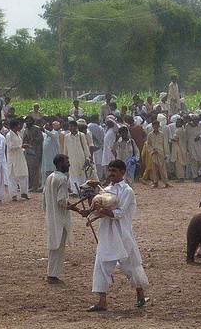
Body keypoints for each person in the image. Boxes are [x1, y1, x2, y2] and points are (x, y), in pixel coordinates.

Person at [83, 159, 150, 312]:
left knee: (130, 266)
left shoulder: (127, 191)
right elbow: (98, 207)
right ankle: (102, 301)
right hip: (107, 234)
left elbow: (119, 213)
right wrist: (89, 210)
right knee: (101, 265)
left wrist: (101, 210)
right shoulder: (105, 190)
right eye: (110, 170)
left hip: (122, 233)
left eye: (114, 171)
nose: (111, 174)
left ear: (122, 172)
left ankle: (140, 295)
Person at [43, 154, 74, 284]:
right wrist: (75, 208)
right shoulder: (62, 179)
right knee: (58, 246)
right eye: (67, 162)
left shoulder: (50, 177)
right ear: (61, 163)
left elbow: (44, 199)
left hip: (51, 216)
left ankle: (51, 273)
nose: (69, 164)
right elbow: (62, 201)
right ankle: (52, 275)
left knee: (54, 245)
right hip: (60, 218)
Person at [62, 120, 91, 194]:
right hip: (71, 158)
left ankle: (83, 190)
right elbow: (65, 149)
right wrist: (65, 158)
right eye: (69, 126)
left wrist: (87, 157)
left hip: (81, 158)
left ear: (76, 127)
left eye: (71, 126)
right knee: (73, 174)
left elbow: (85, 147)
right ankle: (75, 191)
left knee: (82, 173)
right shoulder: (67, 137)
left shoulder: (81, 135)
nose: (70, 128)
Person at [6, 119, 30, 201]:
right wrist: (21, 146)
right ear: (14, 126)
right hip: (13, 159)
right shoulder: (9, 135)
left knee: (24, 175)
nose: (20, 127)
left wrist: (22, 148)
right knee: (12, 177)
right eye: (18, 125)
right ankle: (13, 195)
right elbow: (10, 147)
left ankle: (24, 193)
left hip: (20, 158)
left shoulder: (18, 134)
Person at [146, 120, 170, 188]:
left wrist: (166, 154)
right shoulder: (150, 134)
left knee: (163, 168)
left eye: (157, 125)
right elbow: (148, 144)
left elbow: (165, 144)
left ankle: (166, 182)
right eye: (154, 125)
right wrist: (152, 151)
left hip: (161, 153)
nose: (156, 127)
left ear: (159, 126)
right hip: (154, 153)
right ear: (153, 126)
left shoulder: (162, 134)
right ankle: (155, 182)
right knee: (154, 169)